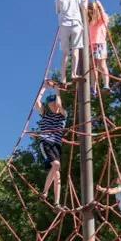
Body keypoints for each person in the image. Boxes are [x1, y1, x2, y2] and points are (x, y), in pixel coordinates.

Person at [35, 82, 67, 210]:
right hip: (46, 142)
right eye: (51, 104)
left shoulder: (63, 115)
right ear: (48, 106)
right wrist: (43, 88)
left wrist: (56, 90)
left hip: (57, 145)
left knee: (57, 174)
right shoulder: (45, 115)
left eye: (54, 104)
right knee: (56, 165)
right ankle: (45, 192)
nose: (54, 106)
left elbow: (59, 104)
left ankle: (57, 203)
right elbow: (37, 102)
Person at [53, 0, 86, 84]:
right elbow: (84, 6)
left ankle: (63, 78)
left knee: (65, 53)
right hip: (76, 24)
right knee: (75, 49)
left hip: (64, 26)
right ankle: (73, 74)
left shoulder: (58, 0)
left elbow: (58, 12)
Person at [87, 0, 111, 94]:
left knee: (101, 64)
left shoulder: (102, 20)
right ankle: (93, 87)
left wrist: (100, 5)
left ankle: (106, 84)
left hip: (100, 44)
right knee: (93, 67)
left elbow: (105, 16)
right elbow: (84, 12)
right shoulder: (89, 22)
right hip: (91, 45)